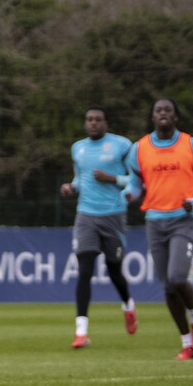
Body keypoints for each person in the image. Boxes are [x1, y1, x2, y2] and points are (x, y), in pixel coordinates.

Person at [121, 98, 193, 360]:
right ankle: (187, 344)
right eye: (158, 110)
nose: (163, 114)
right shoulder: (139, 149)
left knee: (178, 277)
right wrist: (129, 193)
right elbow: (136, 183)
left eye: (168, 110)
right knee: (168, 289)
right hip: (154, 221)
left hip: (182, 220)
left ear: (176, 118)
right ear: (152, 117)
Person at [58, 106, 136, 348]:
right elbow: (80, 179)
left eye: (98, 119)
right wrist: (71, 188)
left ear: (106, 123)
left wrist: (112, 179)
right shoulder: (78, 148)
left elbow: (135, 179)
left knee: (114, 271)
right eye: (89, 119)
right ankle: (81, 332)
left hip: (113, 215)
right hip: (86, 215)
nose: (93, 123)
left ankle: (128, 305)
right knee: (84, 270)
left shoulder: (122, 145)